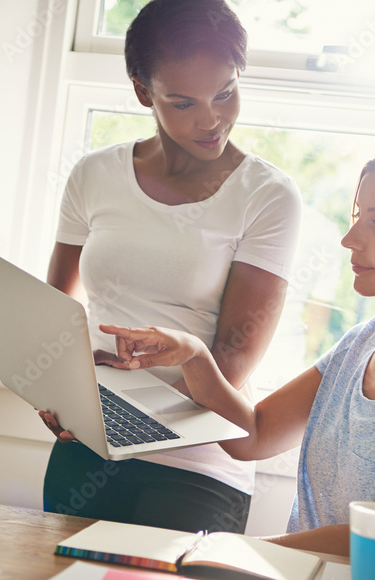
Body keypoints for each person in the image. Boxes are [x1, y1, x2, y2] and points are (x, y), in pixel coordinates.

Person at [93, 137, 375, 579]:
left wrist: (229, 551)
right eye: (358, 217)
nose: (350, 239)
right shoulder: (363, 341)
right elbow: (254, 436)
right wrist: (194, 356)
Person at [40, 0, 302, 534]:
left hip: (197, 462)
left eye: (225, 93)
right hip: (92, 445)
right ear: (143, 92)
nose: (211, 119)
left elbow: (232, 359)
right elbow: (55, 311)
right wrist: (56, 389)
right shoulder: (94, 175)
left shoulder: (267, 196)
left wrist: (121, 411)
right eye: (183, 103)